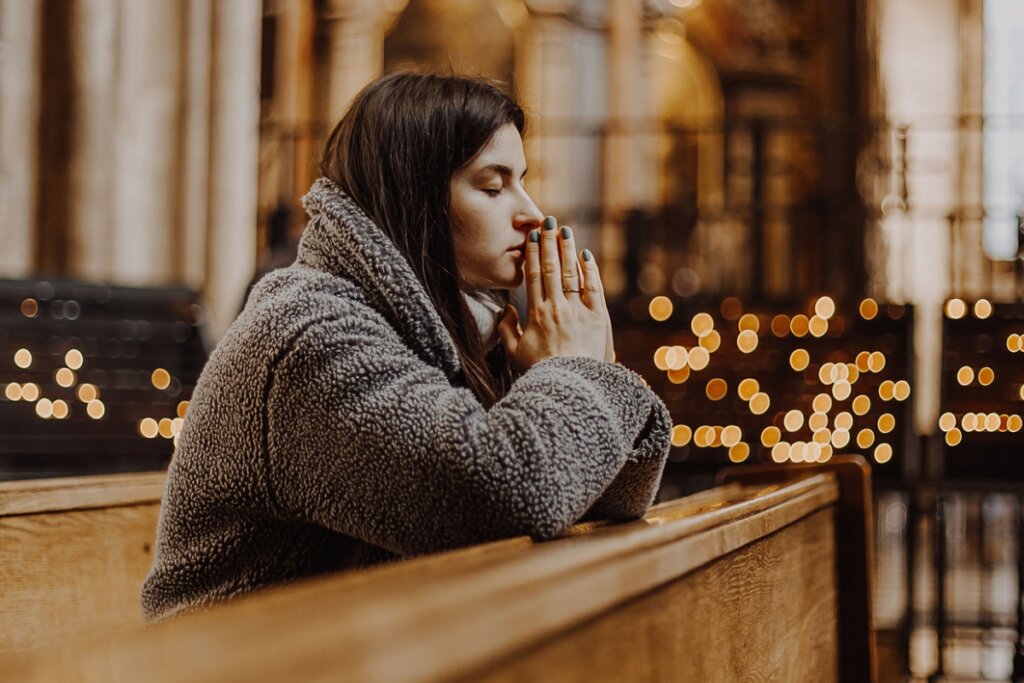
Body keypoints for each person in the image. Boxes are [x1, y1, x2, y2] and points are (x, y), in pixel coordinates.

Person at [142, 72, 671, 621]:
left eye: (522, 181)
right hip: (232, 657)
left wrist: (592, 371)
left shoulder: (469, 328)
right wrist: (575, 371)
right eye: (493, 188)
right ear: (414, 198)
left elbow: (610, 500)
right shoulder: (308, 335)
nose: (532, 214)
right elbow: (506, 499)